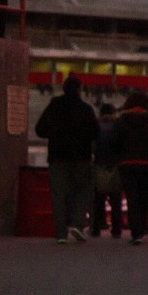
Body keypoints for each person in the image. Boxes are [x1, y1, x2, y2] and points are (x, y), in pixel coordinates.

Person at [35, 75, 99, 244]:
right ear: (79, 89)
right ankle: (78, 224)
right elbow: (95, 132)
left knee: (58, 195)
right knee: (83, 191)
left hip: (57, 157)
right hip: (81, 157)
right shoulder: (85, 109)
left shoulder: (54, 106)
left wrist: (55, 134)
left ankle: (61, 234)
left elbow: (39, 129)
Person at [110, 92, 148, 245]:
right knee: (144, 197)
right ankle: (142, 226)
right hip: (147, 163)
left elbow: (114, 143)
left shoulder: (120, 121)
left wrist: (113, 160)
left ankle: (135, 232)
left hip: (127, 164)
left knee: (132, 197)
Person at [90, 103, 123, 238]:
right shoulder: (119, 126)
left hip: (99, 165)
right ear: (114, 113)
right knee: (115, 201)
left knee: (98, 200)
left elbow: (92, 147)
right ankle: (116, 230)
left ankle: (96, 228)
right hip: (115, 167)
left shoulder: (96, 127)